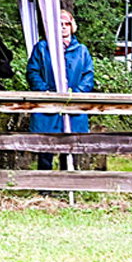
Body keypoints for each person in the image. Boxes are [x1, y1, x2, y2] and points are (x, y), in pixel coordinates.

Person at [26, 10, 95, 170]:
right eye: (60, 24)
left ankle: (66, 183)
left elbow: (88, 75)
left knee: (69, 146)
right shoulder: (42, 48)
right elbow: (33, 72)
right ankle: (45, 188)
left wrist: (76, 93)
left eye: (67, 24)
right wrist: (45, 91)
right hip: (47, 105)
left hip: (73, 105)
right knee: (46, 147)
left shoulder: (82, 50)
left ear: (72, 26)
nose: (64, 27)